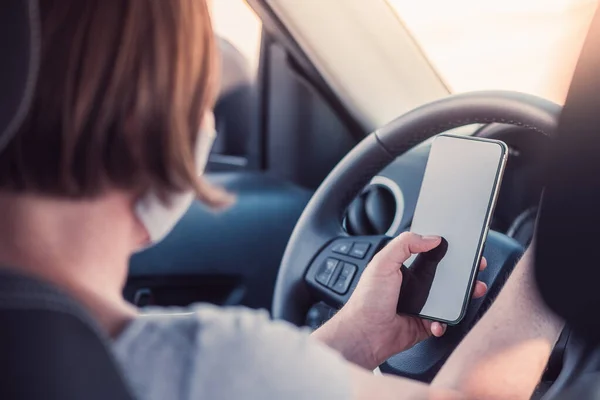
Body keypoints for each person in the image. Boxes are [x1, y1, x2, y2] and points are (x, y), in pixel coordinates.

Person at [0, 1, 564, 399]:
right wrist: (559, 259)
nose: (208, 122)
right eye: (201, 97)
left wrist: (360, 337)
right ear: (140, 124)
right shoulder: (195, 364)